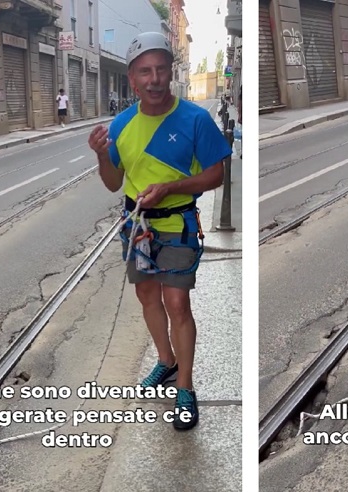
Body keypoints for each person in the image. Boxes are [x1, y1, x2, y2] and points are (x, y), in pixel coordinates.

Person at [87, 32, 231, 430]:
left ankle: (185, 386)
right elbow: (114, 182)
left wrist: (169, 187)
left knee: (177, 304)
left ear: (171, 72)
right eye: (144, 72)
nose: (153, 79)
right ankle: (166, 362)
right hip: (137, 229)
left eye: (160, 69)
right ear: (132, 78)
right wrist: (103, 155)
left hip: (178, 224)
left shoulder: (195, 119)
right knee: (147, 297)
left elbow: (216, 174)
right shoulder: (121, 125)